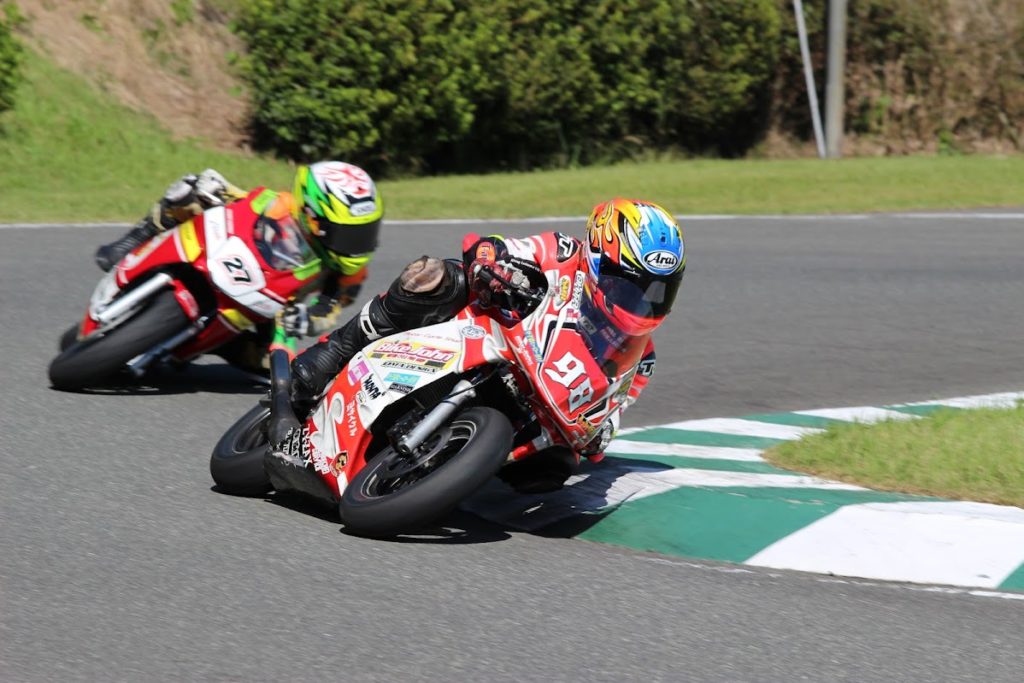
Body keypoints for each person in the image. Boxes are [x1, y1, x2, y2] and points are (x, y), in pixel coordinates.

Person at [283, 198, 686, 494]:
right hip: (491, 328)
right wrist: (490, 264)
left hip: (536, 399)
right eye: (629, 286)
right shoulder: (563, 251)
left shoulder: (642, 358)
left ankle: (449, 472)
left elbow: (612, 412)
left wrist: (601, 433)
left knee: (554, 468)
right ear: (597, 258)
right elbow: (495, 247)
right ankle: (337, 349)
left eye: (657, 291)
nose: (643, 302)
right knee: (434, 277)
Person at [93, 162, 385, 370]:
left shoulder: (351, 272)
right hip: (243, 261)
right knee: (188, 190)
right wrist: (217, 189)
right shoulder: (284, 205)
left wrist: (306, 319)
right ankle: (135, 239)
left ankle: (218, 342)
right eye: (348, 234)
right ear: (311, 214)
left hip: (275, 306)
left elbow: (329, 310)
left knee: (272, 365)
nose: (357, 245)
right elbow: (246, 201)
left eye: (365, 232)